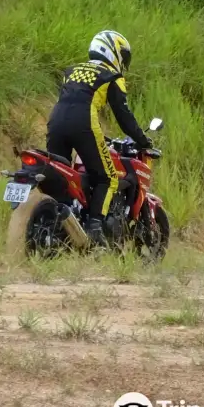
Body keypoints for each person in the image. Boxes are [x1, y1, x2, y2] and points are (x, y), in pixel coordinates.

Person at [45, 30, 153, 248]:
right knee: (108, 177)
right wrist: (143, 141)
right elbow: (123, 117)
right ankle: (95, 227)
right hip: (84, 124)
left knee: (62, 178)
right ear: (113, 51)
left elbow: (71, 101)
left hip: (55, 122)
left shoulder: (71, 71)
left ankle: (62, 226)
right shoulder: (112, 76)